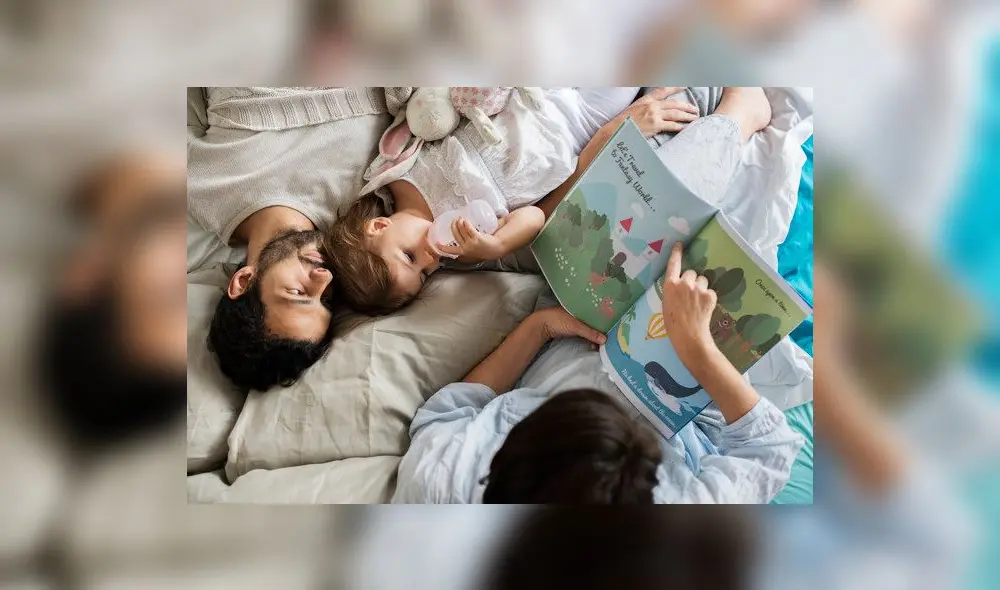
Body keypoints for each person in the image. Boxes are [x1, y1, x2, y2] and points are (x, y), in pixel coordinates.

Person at [392, 241, 803, 503]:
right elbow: (769, 449)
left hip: (575, 324)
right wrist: (698, 350)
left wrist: (539, 328)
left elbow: (448, 411)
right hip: (694, 386)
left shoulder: (441, 482)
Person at [324, 87, 722, 315]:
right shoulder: (467, 248)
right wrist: (497, 244)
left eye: (410, 257)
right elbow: (537, 215)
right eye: (426, 275)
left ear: (379, 226)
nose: (431, 259)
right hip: (579, 122)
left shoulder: (398, 175)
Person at [187, 87, 391, 390]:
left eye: (297, 293)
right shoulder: (366, 217)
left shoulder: (200, 186)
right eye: (326, 300)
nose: (324, 278)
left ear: (244, 280)